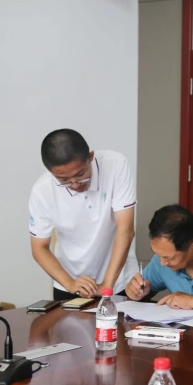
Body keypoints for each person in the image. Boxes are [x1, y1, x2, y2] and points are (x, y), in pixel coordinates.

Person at [29, 129, 138, 301]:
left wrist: (107, 285)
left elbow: (126, 229)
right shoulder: (42, 191)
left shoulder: (116, 165)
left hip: (119, 282)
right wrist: (70, 284)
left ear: (91, 157)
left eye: (80, 174)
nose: (75, 184)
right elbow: (39, 248)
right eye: (64, 180)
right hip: (70, 282)